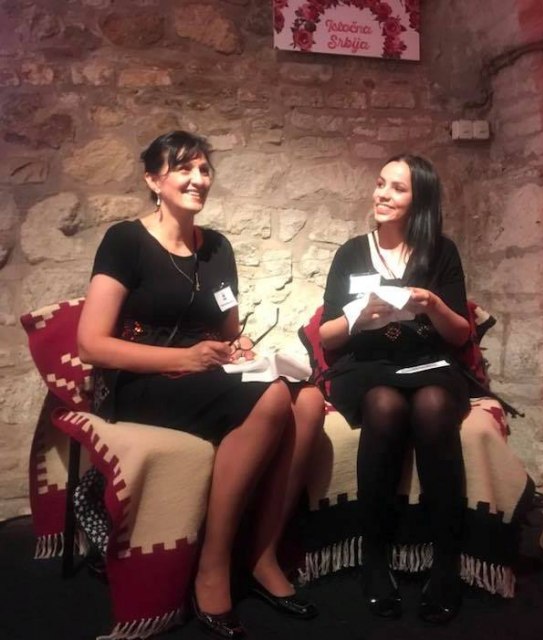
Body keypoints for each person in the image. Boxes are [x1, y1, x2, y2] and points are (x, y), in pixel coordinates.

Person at [77, 131, 325, 639]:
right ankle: (214, 565)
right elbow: (91, 345)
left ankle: (263, 555)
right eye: (184, 168)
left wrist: (241, 347)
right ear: (154, 180)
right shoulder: (125, 241)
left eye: (204, 169)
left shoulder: (217, 248)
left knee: (310, 400)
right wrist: (184, 359)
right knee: (272, 397)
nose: (198, 179)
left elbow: (228, 330)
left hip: (202, 373)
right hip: (140, 381)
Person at [319, 154, 471, 624]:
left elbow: (461, 334)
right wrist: (356, 316)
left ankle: (446, 561)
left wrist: (433, 305)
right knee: (384, 406)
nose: (382, 194)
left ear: (419, 200)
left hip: (428, 364)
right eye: (381, 183)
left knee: (432, 404)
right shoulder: (351, 252)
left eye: (397, 188)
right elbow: (326, 335)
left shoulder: (441, 252)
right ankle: (374, 557)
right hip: (368, 366)